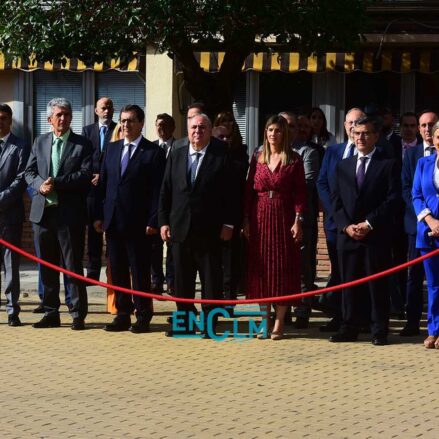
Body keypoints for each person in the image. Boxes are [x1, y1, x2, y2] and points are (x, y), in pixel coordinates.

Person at [159, 113, 236, 338]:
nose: (197, 131)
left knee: (211, 281)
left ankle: (210, 325)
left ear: (210, 130)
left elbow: (232, 194)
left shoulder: (221, 155)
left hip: (210, 230)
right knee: (181, 281)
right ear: (187, 129)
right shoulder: (177, 153)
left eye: (202, 127)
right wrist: (163, 222)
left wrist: (229, 223)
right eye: (193, 127)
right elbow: (165, 190)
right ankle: (184, 323)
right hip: (179, 228)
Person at [329, 116, 401, 346]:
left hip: (375, 235)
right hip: (348, 236)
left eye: (366, 133)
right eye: (357, 133)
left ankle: (379, 329)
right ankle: (348, 327)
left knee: (376, 286)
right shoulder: (343, 166)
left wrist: (369, 224)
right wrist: (346, 226)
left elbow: (392, 199)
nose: (360, 137)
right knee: (348, 284)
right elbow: (335, 200)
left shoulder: (388, 164)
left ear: (376, 136)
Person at [94, 105, 166, 333]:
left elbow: (158, 191)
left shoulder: (153, 152)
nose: (126, 125)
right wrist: (98, 216)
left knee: (140, 271)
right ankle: (122, 313)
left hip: (139, 224)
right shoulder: (112, 149)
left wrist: (154, 220)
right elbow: (103, 185)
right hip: (114, 222)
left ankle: (143, 315)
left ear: (141, 123)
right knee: (118, 270)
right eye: (123, 121)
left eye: (131, 121)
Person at [25, 97, 92, 330]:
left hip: (69, 216)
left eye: (67, 114)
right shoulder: (40, 141)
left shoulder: (82, 144)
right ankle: (51, 312)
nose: (63, 118)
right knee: (47, 267)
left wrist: (57, 183)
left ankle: (77, 313)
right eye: (59, 115)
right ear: (49, 119)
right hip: (42, 215)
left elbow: (85, 175)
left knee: (72, 266)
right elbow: (29, 172)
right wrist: (39, 185)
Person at [243, 115, 306, 340]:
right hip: (260, 216)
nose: (273, 134)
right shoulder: (257, 158)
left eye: (277, 130)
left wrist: (298, 220)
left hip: (283, 216)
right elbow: (249, 190)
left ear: (284, 133)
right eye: (270, 130)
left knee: (282, 268)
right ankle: (264, 320)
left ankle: (279, 322)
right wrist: (246, 219)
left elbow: (300, 192)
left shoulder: (294, 159)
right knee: (261, 270)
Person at [316, 107, 366, 332]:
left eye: (358, 122)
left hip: (359, 226)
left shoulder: (371, 152)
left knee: (359, 273)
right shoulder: (333, 151)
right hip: (335, 224)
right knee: (338, 272)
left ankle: (361, 319)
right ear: (344, 126)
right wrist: (336, 214)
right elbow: (322, 183)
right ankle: (339, 317)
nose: (353, 127)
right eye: (350, 123)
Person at [279, 111, 319, 329]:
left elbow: (307, 184)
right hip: (273, 218)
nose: (286, 130)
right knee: (278, 266)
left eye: (292, 126)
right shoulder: (262, 152)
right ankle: (281, 311)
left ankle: (302, 310)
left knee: (302, 267)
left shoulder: (307, 152)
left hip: (300, 217)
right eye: (282, 125)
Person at [401, 110, 438, 336]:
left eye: (430, 124)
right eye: (423, 125)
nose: (427, 129)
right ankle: (416, 324)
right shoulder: (415, 157)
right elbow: (409, 190)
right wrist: (426, 218)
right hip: (420, 228)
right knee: (417, 278)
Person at [213, 111, 249, 304]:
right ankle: (215, 298)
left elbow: (242, 185)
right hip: (212, 214)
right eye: (222, 122)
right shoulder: (209, 153)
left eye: (229, 121)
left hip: (233, 213)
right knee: (214, 261)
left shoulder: (240, 153)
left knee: (230, 259)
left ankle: (229, 299)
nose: (226, 124)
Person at [0, 103, 30, 326]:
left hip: (10, 215)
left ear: (10, 120)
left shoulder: (21, 146)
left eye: (3, 118)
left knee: (11, 265)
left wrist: (1, 198)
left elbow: (21, 179)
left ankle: (12, 310)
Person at [82, 97, 116, 281]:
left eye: (109, 107)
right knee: (93, 231)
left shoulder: (119, 129)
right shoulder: (87, 131)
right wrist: (91, 175)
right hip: (92, 188)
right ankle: (93, 271)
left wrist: (102, 175)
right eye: (103, 108)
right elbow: (84, 157)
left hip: (110, 186)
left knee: (111, 229)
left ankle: (112, 269)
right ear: (96, 111)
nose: (107, 111)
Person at [412, 121, 439, 348]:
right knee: (433, 285)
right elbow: (417, 195)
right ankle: (434, 330)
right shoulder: (423, 163)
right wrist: (430, 220)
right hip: (428, 233)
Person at [151, 113, 177, 294]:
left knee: (172, 245)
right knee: (154, 246)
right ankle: (156, 280)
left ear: (172, 128)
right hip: (156, 203)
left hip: (174, 203)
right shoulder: (150, 148)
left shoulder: (180, 147)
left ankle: (172, 281)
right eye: (158, 125)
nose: (161, 129)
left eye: (165, 125)